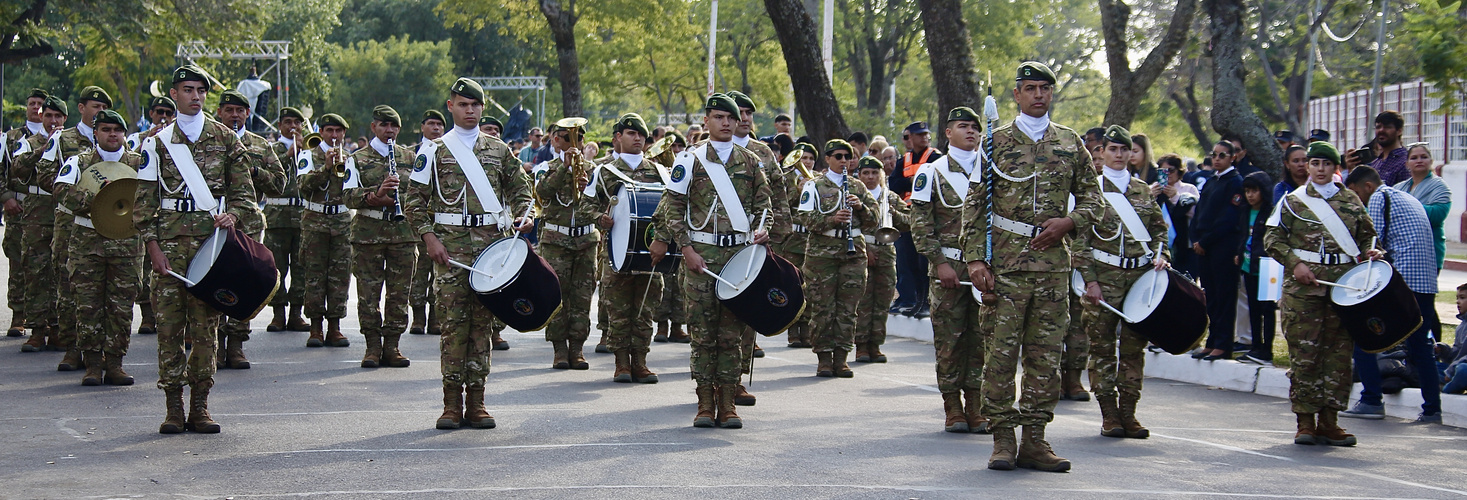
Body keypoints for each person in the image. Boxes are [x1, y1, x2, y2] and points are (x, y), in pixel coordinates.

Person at [963, 62, 1103, 472]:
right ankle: (1003, 439)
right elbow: (975, 206)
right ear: (1016, 95)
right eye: (1030, 88)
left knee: (1045, 358)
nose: (1038, 94)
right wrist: (974, 259)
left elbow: (1094, 199)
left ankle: (1035, 440)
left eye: (1044, 88)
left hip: (1052, 269)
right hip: (1006, 266)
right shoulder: (995, 142)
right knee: (1001, 356)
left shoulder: (1070, 143)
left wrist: (1070, 221)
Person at [135, 64, 258, 434]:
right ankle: (173, 407)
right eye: (187, 90)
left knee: (206, 328)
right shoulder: (155, 143)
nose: (195, 96)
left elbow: (244, 194)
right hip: (170, 247)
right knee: (170, 328)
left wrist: (233, 214)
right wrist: (153, 248)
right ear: (174, 94)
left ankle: (200, 406)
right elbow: (143, 203)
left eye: (201, 91)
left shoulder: (226, 139)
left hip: (212, 245)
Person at [405, 77, 533, 430]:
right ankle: (451, 403)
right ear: (451, 107)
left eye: (476, 105)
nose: (470, 110)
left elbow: (522, 192)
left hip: (491, 250)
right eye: (463, 104)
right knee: (453, 326)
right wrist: (429, 239)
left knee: (483, 327)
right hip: (451, 250)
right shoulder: (432, 150)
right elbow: (413, 202)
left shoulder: (499, 150)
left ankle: (478, 402)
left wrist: (526, 216)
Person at [650, 93, 773, 429]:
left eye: (730, 118)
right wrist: (686, 249)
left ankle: (729, 404)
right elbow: (672, 207)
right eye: (718, 117)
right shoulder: (689, 160)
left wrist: (764, 230)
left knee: (731, 335)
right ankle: (705, 402)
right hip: (700, 259)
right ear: (706, 121)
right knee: (703, 334)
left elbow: (765, 207)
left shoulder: (751, 162)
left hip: (738, 259)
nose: (725, 123)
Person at [1262, 141, 1379, 446]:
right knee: (1305, 355)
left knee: (1338, 356)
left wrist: (1370, 251)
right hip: (1304, 288)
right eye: (1315, 164)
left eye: (1327, 164)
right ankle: (1305, 421)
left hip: (1343, 288)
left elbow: (1367, 234)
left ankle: (1330, 422)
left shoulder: (1351, 199)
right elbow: (1272, 238)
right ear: (1308, 167)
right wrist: (1295, 263)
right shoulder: (1292, 201)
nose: (1321, 170)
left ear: (1335, 167)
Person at [1074, 126, 1169, 439]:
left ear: (1131, 154)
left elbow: (1159, 230)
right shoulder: (1092, 192)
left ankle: (1129, 412)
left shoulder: (1143, 191)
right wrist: (1090, 281)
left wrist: (1162, 254)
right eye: (1111, 149)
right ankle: (1109, 414)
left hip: (1138, 280)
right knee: (1101, 348)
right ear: (1101, 152)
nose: (1117, 155)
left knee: (1133, 348)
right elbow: (1080, 242)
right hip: (1103, 278)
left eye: (1123, 150)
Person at [46, 110, 142, 386]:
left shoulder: (139, 162)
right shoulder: (80, 161)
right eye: (106, 129)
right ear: (96, 133)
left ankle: (115, 363)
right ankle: (92, 364)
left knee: (121, 307)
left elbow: (151, 195)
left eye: (118, 130)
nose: (113, 135)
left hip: (126, 245)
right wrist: (98, 198)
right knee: (87, 306)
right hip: (88, 243)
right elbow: (61, 190)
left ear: (124, 134)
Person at [1341, 165, 1443, 423]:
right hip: (1426, 283)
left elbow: (1374, 243)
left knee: (1365, 336)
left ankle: (1372, 400)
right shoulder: (1406, 196)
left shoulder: (1378, 198)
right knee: (1421, 347)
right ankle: (1432, 409)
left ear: (1367, 187)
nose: (1357, 201)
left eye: (1355, 194)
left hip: (1401, 284)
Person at [913, 107, 990, 434]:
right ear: (948, 133)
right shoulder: (932, 171)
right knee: (950, 341)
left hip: (985, 270)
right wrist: (939, 262)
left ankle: (976, 406)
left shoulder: (991, 170)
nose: (971, 132)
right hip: (948, 269)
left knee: (981, 340)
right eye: (963, 126)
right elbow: (920, 224)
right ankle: (952, 407)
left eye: (975, 127)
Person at [32, 86, 110, 373]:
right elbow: (45, 175)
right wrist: (79, 193)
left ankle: (101, 351)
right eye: (94, 107)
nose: (99, 112)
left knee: (103, 288)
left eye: (103, 108)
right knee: (69, 284)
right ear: (81, 108)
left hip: (108, 222)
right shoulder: (63, 140)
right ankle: (72, 347)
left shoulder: (114, 140)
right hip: (69, 221)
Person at [213, 90, 287, 369]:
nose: (234, 115)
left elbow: (278, 183)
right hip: (216, 222)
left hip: (248, 224)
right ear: (219, 112)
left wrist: (255, 171)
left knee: (244, 282)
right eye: (229, 110)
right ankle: (215, 344)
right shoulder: (209, 142)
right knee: (215, 281)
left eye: (239, 110)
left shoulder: (259, 145)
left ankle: (236, 344)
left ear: (247, 114)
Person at [588, 113, 663, 384]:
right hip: (616, 251)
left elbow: (672, 205)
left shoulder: (659, 171)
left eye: (642, 135)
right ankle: (621, 363)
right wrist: (600, 217)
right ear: (618, 137)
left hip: (649, 249)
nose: (638, 139)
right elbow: (585, 204)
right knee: (618, 308)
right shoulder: (603, 170)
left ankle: (640, 362)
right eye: (632, 134)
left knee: (644, 309)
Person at [796, 139, 877, 378]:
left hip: (853, 253)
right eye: (839, 156)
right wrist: (832, 219)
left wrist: (860, 208)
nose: (844, 161)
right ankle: (823, 357)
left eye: (848, 156)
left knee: (848, 308)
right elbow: (805, 219)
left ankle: (841, 357)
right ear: (828, 158)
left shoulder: (857, 186)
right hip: (822, 254)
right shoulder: (814, 185)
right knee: (822, 307)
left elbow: (875, 220)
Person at [343, 105, 416, 369]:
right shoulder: (357, 158)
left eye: (393, 126)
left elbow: (422, 195)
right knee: (368, 293)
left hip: (403, 234)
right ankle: (372, 345)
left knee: (399, 294)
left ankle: (392, 345)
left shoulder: (410, 157)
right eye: (383, 125)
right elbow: (348, 196)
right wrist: (376, 195)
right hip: (368, 235)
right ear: (373, 127)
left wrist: (399, 199)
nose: (389, 130)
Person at [535, 117, 601, 370]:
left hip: (585, 241)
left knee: (582, 297)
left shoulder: (593, 170)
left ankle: (577, 348)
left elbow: (600, 203)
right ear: (555, 140)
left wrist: (587, 187)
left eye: (579, 138)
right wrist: (564, 168)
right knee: (557, 295)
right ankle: (559, 349)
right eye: (566, 137)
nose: (574, 142)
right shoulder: (547, 167)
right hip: (556, 241)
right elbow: (543, 194)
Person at [12, 96, 67, 353]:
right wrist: (43, 147)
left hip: (62, 211)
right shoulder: (28, 142)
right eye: (48, 116)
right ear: (41, 117)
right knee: (35, 269)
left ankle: (58, 329)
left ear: (65, 119)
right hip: (36, 212)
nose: (53, 121)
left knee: (60, 271)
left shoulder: (70, 142)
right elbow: (18, 170)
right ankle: (36, 329)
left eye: (58, 117)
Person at [727, 90, 778, 367]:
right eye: (740, 112)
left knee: (748, 311)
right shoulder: (704, 151)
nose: (745, 118)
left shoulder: (763, 152)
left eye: (749, 113)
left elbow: (777, 199)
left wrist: (776, 239)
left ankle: (738, 377)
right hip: (714, 243)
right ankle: (712, 383)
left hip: (752, 243)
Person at [297, 113, 355, 348]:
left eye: (338, 131)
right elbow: (302, 186)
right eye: (329, 130)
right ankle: (315, 327)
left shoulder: (351, 158)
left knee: (340, 276)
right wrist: (325, 168)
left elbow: (353, 190)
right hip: (315, 221)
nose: (334, 135)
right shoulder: (307, 155)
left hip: (341, 222)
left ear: (343, 134)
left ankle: (335, 327)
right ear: (321, 132)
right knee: (314, 276)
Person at [1190, 140, 1246, 361]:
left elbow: (1228, 219)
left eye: (1222, 155)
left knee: (1224, 296)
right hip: (1203, 245)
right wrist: (1196, 238)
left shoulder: (1235, 182)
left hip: (1222, 246)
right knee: (1211, 296)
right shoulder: (1212, 181)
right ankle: (1212, 340)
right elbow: (1200, 212)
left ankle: (1223, 343)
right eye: (1214, 154)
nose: (1217, 159)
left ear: (1232, 157)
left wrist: (1207, 241)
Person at [3, 88, 50, 339]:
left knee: (43, 265)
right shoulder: (11, 138)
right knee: (18, 262)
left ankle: (47, 319)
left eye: (40, 104)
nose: (35, 107)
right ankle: (18, 314)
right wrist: (6, 197)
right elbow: (2, 172)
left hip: (44, 210)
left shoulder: (57, 137)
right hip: (18, 208)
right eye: (32, 103)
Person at [855, 156, 907, 363]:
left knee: (883, 299)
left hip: (886, 249)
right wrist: (865, 248)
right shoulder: (854, 195)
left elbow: (910, 220)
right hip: (863, 247)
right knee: (864, 300)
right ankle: (861, 345)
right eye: (866, 173)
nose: (870, 177)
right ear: (859, 175)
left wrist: (895, 215)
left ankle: (875, 344)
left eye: (874, 173)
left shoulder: (890, 197)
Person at [264, 107, 311, 334]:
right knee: (277, 268)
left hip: (303, 218)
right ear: (280, 126)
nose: (293, 126)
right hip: (278, 218)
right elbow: (268, 176)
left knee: (301, 268)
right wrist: (288, 155)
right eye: (288, 122)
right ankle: (278, 313)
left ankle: (296, 313)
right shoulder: (271, 149)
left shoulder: (310, 148)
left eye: (297, 122)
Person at [892, 121, 941, 318]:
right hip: (907, 216)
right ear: (910, 137)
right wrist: (910, 182)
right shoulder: (903, 160)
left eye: (926, 134)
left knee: (924, 263)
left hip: (928, 217)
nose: (924, 138)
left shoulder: (936, 157)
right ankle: (916, 300)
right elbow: (894, 183)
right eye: (919, 135)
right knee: (908, 261)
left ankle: (927, 302)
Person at [409, 110, 450, 337]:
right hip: (419, 221)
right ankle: (418, 316)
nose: (436, 128)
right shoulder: (413, 154)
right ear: (422, 127)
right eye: (431, 124)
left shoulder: (448, 151)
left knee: (439, 271)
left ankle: (435, 317)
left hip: (442, 221)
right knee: (419, 272)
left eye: (439, 125)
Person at [1235, 171, 1276, 365]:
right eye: (1247, 191)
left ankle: (1267, 350)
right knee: (1252, 308)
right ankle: (1255, 347)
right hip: (1248, 266)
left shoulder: (1272, 212)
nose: (1250, 195)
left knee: (1267, 310)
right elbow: (1243, 235)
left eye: (1255, 191)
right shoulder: (1244, 211)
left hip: (1268, 268)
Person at [780, 142, 818, 348]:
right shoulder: (787, 180)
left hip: (812, 240)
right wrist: (797, 190)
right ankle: (794, 331)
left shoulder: (819, 180)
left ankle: (809, 330)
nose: (808, 162)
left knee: (811, 286)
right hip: (793, 239)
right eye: (804, 158)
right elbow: (782, 204)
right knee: (794, 285)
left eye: (811, 159)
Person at [1395, 143, 1451, 270]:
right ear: (1407, 164)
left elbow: (1437, 215)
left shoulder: (1439, 186)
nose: (1419, 160)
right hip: (1401, 253)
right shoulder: (1398, 188)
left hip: (1428, 252)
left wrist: (1403, 208)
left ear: (1431, 161)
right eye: (1414, 158)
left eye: (1423, 157)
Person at [1152, 154, 1198, 279]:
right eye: (1163, 171)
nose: (1167, 174)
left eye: (1171, 170)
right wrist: (1151, 196)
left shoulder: (1189, 189)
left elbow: (1196, 214)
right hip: (1161, 246)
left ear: (1179, 171)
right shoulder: (1152, 188)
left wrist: (1176, 197)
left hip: (1185, 246)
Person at [1352, 111, 1408, 186]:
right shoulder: (1376, 163)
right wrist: (1351, 169)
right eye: (1378, 127)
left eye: (1387, 127)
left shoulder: (1405, 162)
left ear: (1399, 131)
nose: (1381, 130)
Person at [1442, 284, 1467, 395]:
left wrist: (1451, 371)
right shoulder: (1461, 327)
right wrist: (1443, 350)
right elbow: (1455, 355)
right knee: (1432, 367)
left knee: (1462, 370)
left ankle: (1445, 389)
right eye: (1457, 298)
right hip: (1455, 368)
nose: (1458, 302)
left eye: (1462, 298)